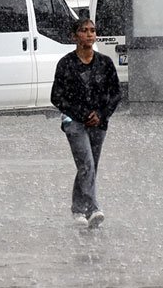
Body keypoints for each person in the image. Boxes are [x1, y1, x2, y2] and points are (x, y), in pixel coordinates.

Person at [51, 18, 122, 229]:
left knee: (89, 166)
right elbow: (57, 96)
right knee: (86, 164)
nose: (89, 34)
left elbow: (115, 94)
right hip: (74, 122)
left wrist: (101, 114)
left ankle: (77, 208)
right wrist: (81, 114)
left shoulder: (105, 63)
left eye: (92, 30)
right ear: (75, 36)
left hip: (99, 123)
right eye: (84, 31)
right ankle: (92, 208)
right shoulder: (66, 64)